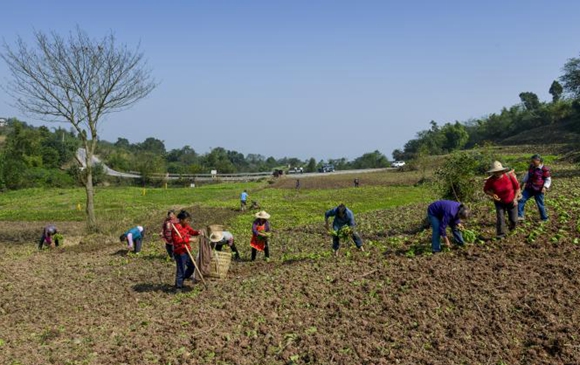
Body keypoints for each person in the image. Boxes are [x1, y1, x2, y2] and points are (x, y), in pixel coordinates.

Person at [484, 161, 521, 239]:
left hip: (511, 200)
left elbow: (517, 188)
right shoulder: (491, 180)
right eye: (495, 172)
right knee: (500, 218)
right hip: (499, 202)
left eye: (498, 172)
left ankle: (512, 228)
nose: (497, 174)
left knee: (514, 220)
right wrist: (493, 195)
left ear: (502, 171)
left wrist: (515, 199)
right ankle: (501, 234)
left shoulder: (509, 176)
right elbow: (486, 190)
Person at [170, 210, 203, 289]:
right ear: (181, 220)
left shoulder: (186, 226)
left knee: (191, 267)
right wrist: (189, 240)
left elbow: (191, 231)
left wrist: (197, 232)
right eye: (186, 220)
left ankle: (182, 279)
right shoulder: (176, 228)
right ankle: (178, 286)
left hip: (186, 250)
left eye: (188, 220)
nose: (188, 221)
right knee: (181, 269)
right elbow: (177, 241)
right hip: (180, 251)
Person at [518, 154, 551, 222]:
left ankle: (544, 218)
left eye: (534, 161)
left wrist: (545, 187)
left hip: (538, 189)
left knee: (540, 204)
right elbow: (528, 175)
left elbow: (548, 179)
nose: (532, 162)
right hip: (529, 188)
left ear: (539, 161)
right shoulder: (531, 167)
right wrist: (522, 183)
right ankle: (520, 215)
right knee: (521, 199)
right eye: (532, 161)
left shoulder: (544, 169)